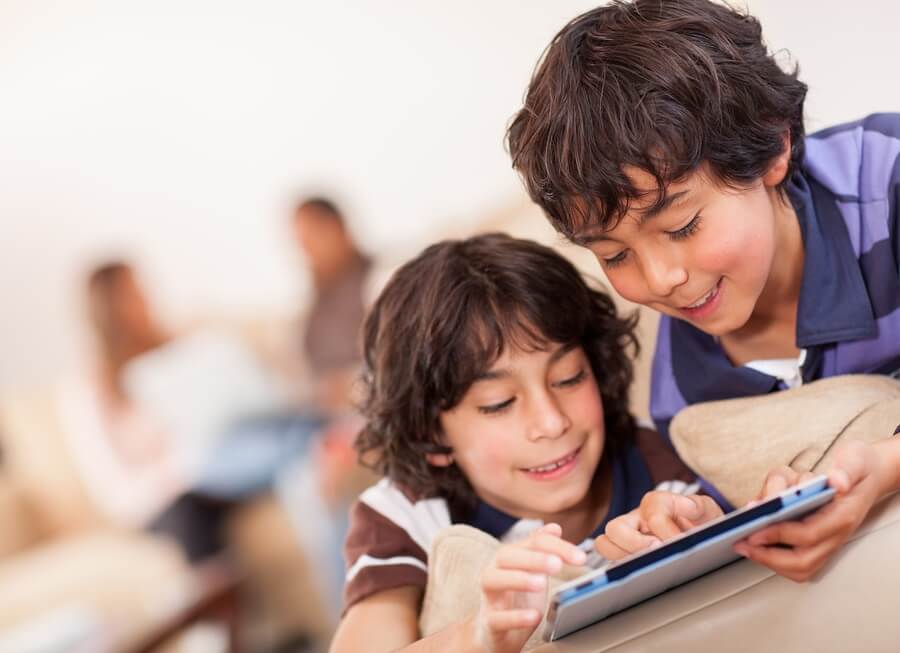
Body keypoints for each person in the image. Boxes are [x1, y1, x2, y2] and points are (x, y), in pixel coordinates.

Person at [506, 0, 900, 581]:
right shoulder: (684, 395)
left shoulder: (888, 181)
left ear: (772, 148)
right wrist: (698, 523)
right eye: (615, 255)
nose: (662, 280)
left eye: (683, 227)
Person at [329, 233, 704, 653]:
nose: (551, 422)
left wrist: (694, 527)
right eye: (499, 403)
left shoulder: (655, 465)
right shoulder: (408, 514)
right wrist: (475, 636)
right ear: (429, 433)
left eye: (569, 378)